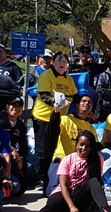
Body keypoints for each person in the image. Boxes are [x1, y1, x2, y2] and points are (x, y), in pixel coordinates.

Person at [33, 51, 78, 189]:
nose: (62, 64)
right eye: (59, 61)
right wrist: (56, 102)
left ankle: (50, 176)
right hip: (43, 118)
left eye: (65, 61)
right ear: (53, 62)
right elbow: (45, 95)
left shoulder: (68, 79)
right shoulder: (46, 76)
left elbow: (75, 97)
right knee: (42, 150)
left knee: (53, 149)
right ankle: (39, 179)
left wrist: (84, 110)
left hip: (59, 119)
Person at [40, 131, 109, 212]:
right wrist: (71, 206)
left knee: (94, 181)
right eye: (81, 144)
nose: (84, 148)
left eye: (88, 146)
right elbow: (63, 185)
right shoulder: (67, 159)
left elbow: (96, 183)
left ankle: (105, 209)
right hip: (64, 194)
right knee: (50, 207)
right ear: (77, 144)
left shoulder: (98, 159)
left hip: (81, 195)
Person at [45, 94, 98, 195]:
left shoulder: (91, 128)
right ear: (77, 105)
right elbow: (52, 131)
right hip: (62, 160)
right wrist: (56, 112)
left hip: (80, 165)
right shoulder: (66, 119)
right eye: (84, 101)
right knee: (52, 192)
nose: (86, 103)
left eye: (89, 102)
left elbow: (94, 148)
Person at [0, 97, 31, 196]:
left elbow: (24, 146)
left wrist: (21, 158)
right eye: (13, 105)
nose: (15, 108)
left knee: (29, 167)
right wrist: (11, 149)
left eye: (19, 106)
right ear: (7, 106)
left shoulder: (21, 126)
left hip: (13, 158)